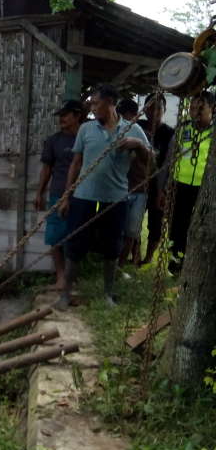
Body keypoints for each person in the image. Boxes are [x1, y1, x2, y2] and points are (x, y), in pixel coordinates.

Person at [58, 84, 151, 308]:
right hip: (83, 197)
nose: (91, 107)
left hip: (116, 200)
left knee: (112, 249)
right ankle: (65, 295)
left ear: (110, 103)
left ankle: (108, 294)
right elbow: (76, 163)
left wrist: (138, 145)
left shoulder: (133, 130)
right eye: (91, 103)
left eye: (95, 103)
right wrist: (65, 196)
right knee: (74, 248)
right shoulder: (86, 129)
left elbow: (150, 162)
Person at [34, 99, 83, 289]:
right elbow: (46, 169)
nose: (61, 119)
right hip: (56, 193)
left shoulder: (86, 137)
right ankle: (61, 277)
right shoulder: (53, 141)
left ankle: (73, 276)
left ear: (77, 115)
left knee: (76, 236)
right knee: (54, 237)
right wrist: (39, 193)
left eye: (65, 115)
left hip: (82, 195)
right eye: (60, 116)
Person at [166, 90, 214, 271]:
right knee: (177, 223)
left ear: (212, 109)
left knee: (201, 225)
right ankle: (177, 257)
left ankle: (195, 260)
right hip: (181, 185)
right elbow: (171, 157)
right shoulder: (184, 128)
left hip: (204, 188)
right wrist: (166, 185)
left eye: (200, 108)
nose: (195, 112)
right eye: (192, 108)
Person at [115, 97, 154, 267]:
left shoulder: (138, 132)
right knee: (116, 229)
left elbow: (151, 161)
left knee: (131, 231)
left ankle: (121, 265)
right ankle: (112, 263)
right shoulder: (112, 129)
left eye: (126, 116)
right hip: (119, 188)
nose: (123, 120)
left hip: (138, 189)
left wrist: (138, 146)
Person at [138, 93, 175, 265]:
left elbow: (170, 162)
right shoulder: (137, 126)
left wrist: (164, 187)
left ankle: (148, 258)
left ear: (164, 110)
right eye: (151, 107)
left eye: (158, 108)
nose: (154, 111)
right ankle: (135, 255)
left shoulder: (169, 133)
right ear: (145, 109)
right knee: (134, 222)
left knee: (156, 223)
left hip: (158, 185)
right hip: (136, 183)